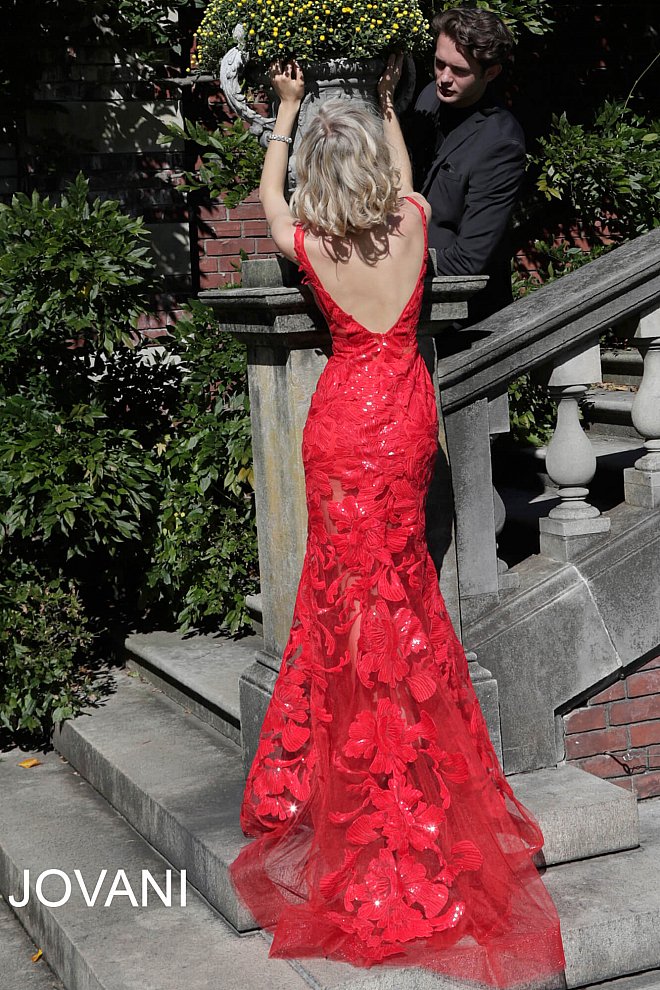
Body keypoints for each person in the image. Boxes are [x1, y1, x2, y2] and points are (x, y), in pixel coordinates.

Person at [229, 55, 565, 988]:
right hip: (405, 418)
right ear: (376, 171)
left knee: (345, 596)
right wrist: (385, 107)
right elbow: (408, 183)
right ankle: (411, 764)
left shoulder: (315, 247)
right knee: (404, 590)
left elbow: (268, 193)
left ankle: (353, 768)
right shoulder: (411, 226)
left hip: (341, 424)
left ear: (320, 182)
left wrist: (289, 110)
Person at [408, 7, 526, 323]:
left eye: (459, 70)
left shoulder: (500, 143)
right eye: (439, 64)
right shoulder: (428, 100)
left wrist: (391, 269)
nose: (444, 78)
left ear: (491, 73)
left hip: (463, 322)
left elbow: (468, 261)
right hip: (410, 305)